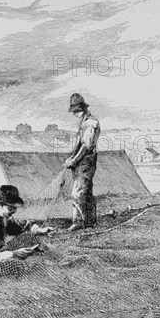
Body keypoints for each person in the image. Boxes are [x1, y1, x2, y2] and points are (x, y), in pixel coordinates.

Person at [0, 185, 54, 263]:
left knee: (29, 238)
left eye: (15, 208)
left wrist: (41, 230)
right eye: (11, 208)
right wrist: (14, 254)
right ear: (0, 205)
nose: (14, 211)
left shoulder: (2, 216)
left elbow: (20, 227)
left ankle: (50, 258)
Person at [64, 93, 101, 231]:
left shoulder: (90, 123)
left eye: (77, 111)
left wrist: (74, 159)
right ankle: (90, 222)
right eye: (74, 111)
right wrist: (71, 157)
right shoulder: (83, 122)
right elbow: (79, 145)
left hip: (86, 162)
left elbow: (86, 146)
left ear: (83, 109)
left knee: (77, 193)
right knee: (87, 193)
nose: (75, 113)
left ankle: (79, 222)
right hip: (82, 162)